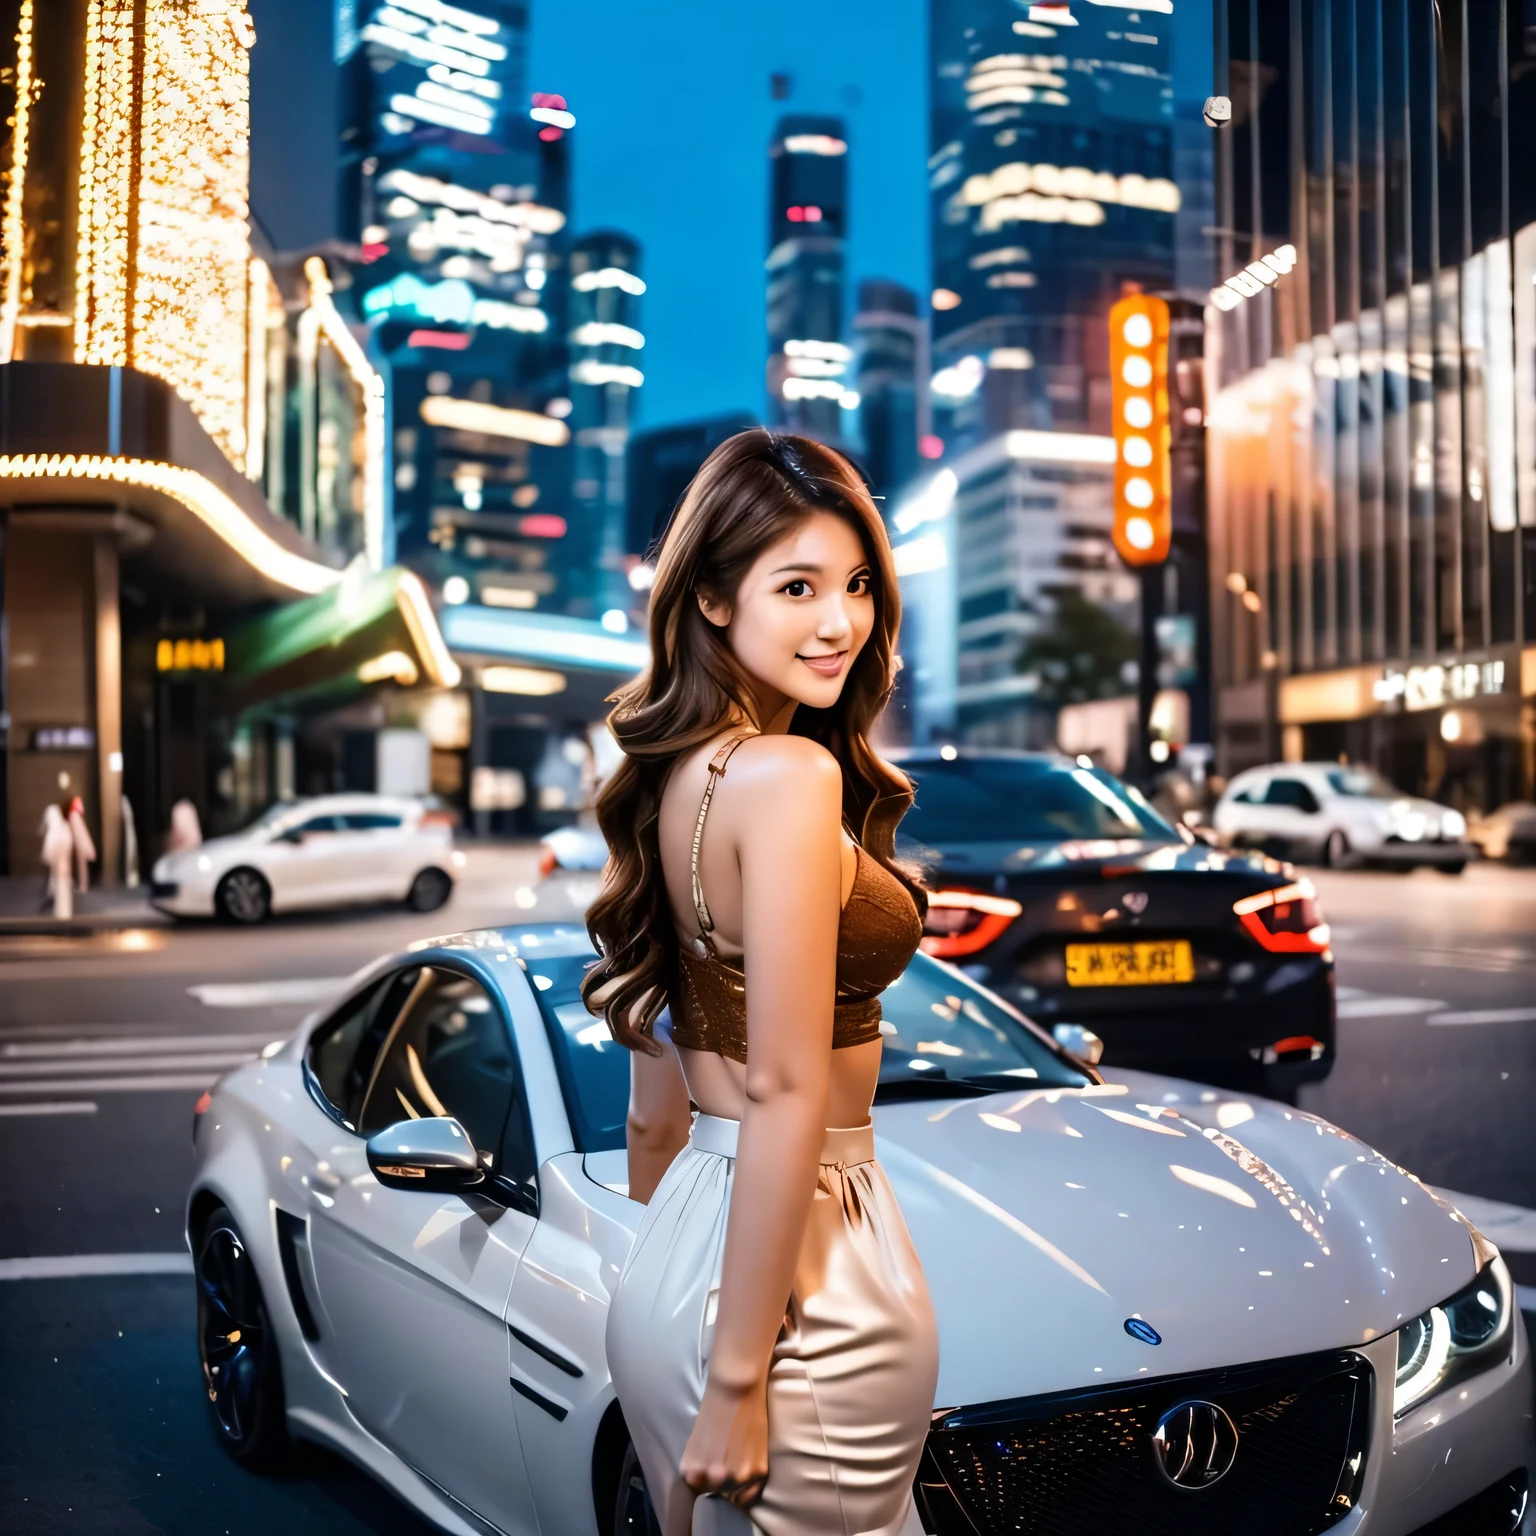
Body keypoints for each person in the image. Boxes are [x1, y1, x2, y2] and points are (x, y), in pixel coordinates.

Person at [584, 431, 935, 1536]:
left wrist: (688, 1300)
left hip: (690, 1237)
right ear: (714, 601)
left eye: (858, 585)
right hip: (801, 1274)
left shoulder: (671, 784)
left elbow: (655, 1118)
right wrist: (738, 1378)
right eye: (798, 587)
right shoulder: (787, 778)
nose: (841, 623)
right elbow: (786, 1090)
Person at [41, 804, 75, 919]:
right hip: (61, 866)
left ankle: (63, 918)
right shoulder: (63, 828)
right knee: (61, 893)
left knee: (62, 893)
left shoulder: (58, 830)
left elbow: (48, 853)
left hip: (61, 866)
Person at [67, 796, 96, 895]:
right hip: (81, 845)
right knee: (82, 867)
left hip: (81, 845)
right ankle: (83, 885)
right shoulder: (76, 816)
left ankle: (83, 886)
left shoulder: (74, 816)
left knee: (82, 867)